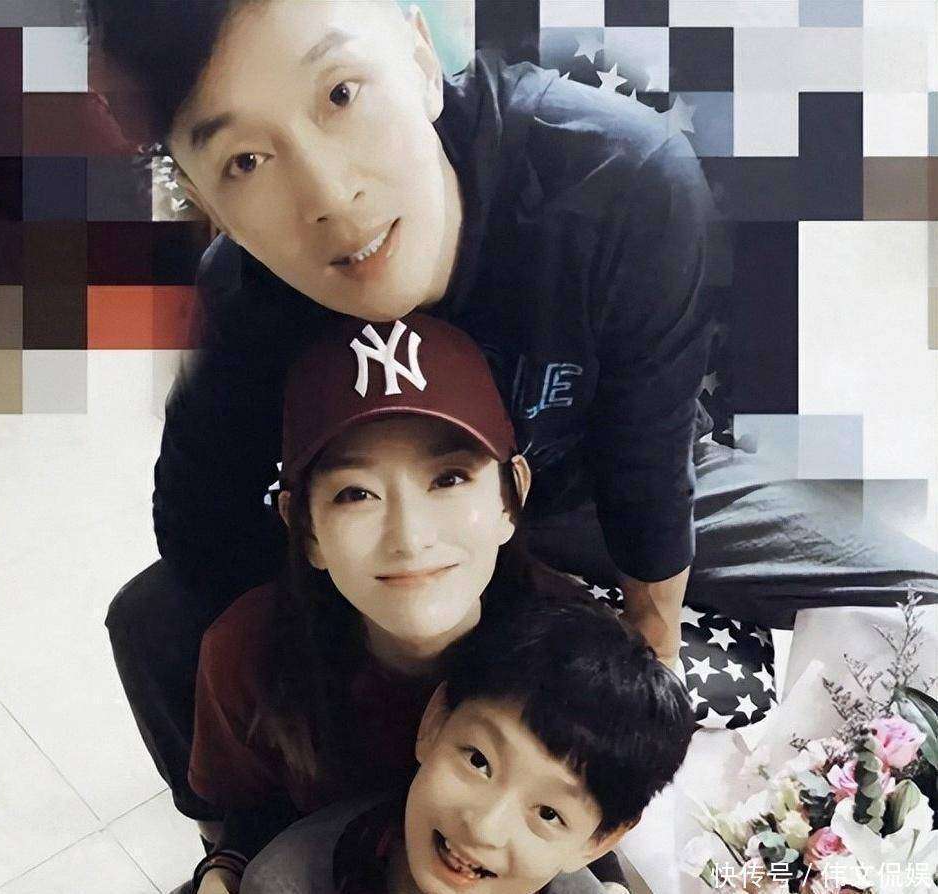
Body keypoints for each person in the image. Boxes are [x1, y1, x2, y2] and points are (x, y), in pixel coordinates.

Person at [89, 0, 938, 840]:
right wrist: (348, 663)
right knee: (155, 620)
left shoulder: (619, 178)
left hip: (594, 475)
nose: (330, 196)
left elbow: (648, 460)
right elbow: (201, 529)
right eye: (244, 160)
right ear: (201, 196)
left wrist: (643, 673)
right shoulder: (244, 307)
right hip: (407, 505)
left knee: (914, 593)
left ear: (420, 59)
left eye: (342, 94)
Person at [187, 313, 629, 893]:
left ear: (511, 496)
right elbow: (240, 814)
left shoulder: (574, 647)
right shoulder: (246, 652)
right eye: (356, 494)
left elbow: (579, 806)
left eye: (449, 479)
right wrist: (222, 870)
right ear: (306, 528)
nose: (410, 537)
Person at [238, 580, 694, 894]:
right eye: (479, 762)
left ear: (597, 842)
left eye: (548, 813)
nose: (483, 827)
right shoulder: (288, 880)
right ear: (434, 721)